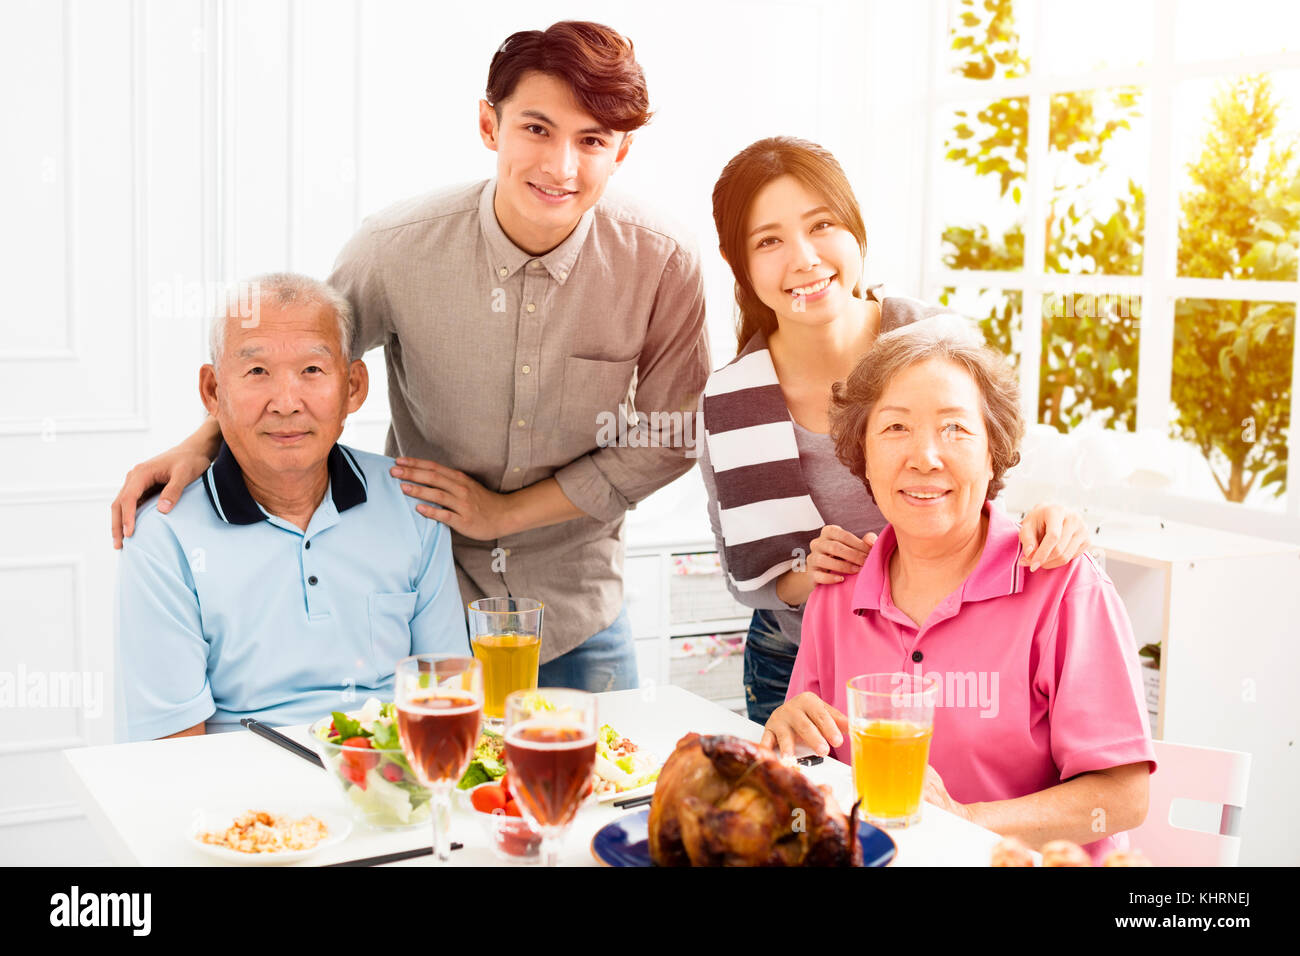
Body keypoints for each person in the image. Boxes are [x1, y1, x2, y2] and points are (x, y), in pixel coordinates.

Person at [110, 22, 710, 693]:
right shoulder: (397, 248)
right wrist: (206, 435)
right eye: (536, 129)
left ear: (621, 151)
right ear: (490, 125)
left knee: (605, 796)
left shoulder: (661, 262)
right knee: (433, 797)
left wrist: (505, 513)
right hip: (430, 612)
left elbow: (668, 438)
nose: (561, 166)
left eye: (592, 140)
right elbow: (309, 365)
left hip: (578, 613)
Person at [700, 136, 1090, 725]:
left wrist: (1054, 518)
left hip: (956, 643)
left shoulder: (938, 340)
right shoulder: (731, 398)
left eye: (821, 224)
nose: (803, 258)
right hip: (797, 657)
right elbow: (746, 574)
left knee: (936, 812)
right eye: (769, 240)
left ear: (856, 231)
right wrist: (805, 574)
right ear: (740, 264)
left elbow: (1007, 475)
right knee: (806, 816)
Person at [762, 318, 1155, 863]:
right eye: (895, 428)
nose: (925, 457)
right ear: (864, 456)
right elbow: (819, 764)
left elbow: (1125, 796)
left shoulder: (1062, 584)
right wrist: (790, 739)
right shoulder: (837, 590)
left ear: (993, 451)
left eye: (955, 429)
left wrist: (966, 824)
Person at [116, 274, 469, 741]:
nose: (286, 403)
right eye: (257, 372)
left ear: (354, 387)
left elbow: (449, 691)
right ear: (213, 391)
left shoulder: (412, 504)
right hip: (242, 799)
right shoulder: (163, 534)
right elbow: (172, 750)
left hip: (391, 782)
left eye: (313, 371)